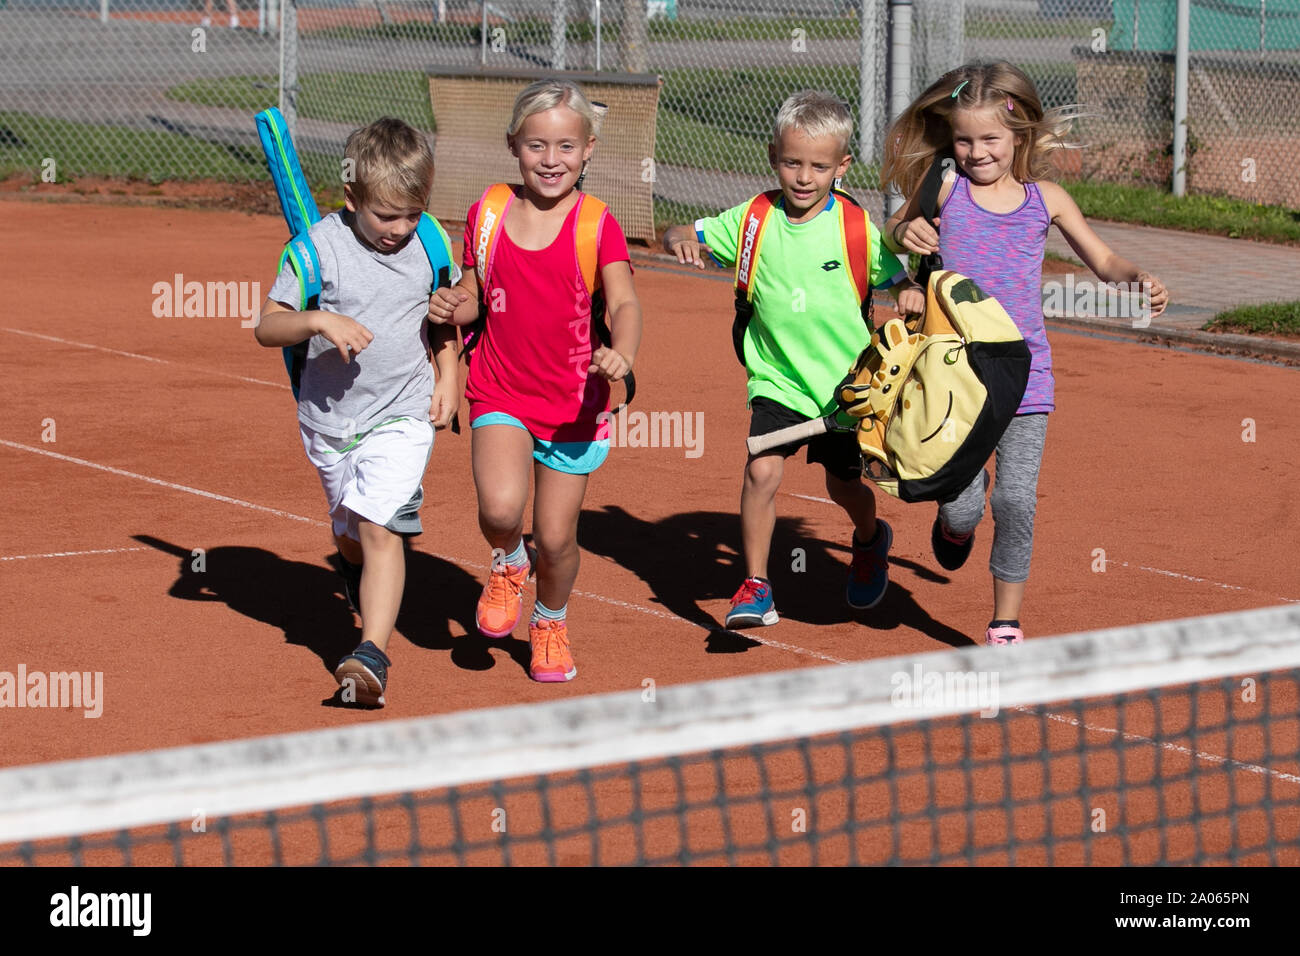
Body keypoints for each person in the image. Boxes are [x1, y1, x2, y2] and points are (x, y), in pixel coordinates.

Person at [882, 60, 1168, 645]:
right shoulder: (944, 184)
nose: (976, 151)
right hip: (953, 378)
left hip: (1026, 378)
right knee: (962, 509)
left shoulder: (1048, 200)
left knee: (1015, 501)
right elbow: (894, 228)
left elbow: (1105, 260)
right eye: (963, 139)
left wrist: (1137, 277)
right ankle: (957, 526)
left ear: (1020, 136)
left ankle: (1005, 623)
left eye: (990, 139)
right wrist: (904, 234)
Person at [663, 90, 924, 630]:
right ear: (772, 156)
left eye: (819, 166)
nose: (804, 177)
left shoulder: (853, 226)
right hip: (777, 383)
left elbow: (897, 276)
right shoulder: (753, 219)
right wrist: (681, 239)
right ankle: (756, 584)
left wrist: (910, 290)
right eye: (792, 162)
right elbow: (686, 230)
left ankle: (871, 540)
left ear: (842, 166)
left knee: (844, 484)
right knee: (761, 472)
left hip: (846, 387)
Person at [427, 79, 642, 683]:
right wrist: (452, 305)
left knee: (556, 537)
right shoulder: (489, 211)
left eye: (566, 147)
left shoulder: (596, 223)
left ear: (589, 149)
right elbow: (477, 293)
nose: (551, 160)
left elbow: (623, 301)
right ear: (513, 146)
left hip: (574, 403)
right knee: (500, 510)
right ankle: (506, 561)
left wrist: (621, 352)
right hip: (500, 386)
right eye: (537, 146)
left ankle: (549, 619)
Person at [256, 117, 460, 705]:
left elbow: (441, 317)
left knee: (380, 526)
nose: (400, 229)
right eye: (386, 216)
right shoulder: (316, 251)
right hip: (329, 421)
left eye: (412, 214)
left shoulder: (430, 243)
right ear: (352, 198)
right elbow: (267, 327)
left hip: (403, 411)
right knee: (350, 533)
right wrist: (319, 318)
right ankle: (352, 571)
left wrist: (449, 373)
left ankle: (370, 652)